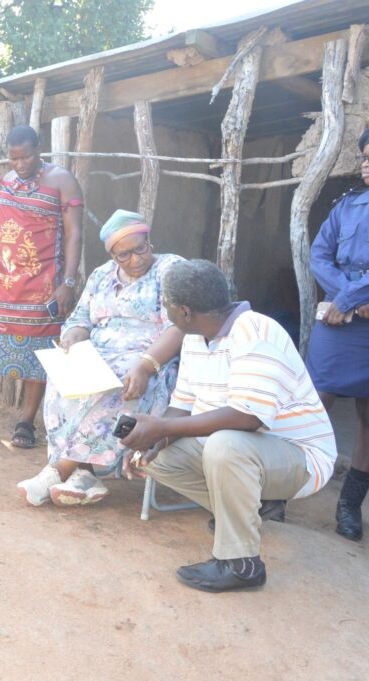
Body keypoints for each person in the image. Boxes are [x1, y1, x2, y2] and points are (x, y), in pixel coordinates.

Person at [120, 260, 336, 592]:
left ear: (185, 311)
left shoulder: (256, 332)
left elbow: (247, 417)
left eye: (166, 305)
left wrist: (161, 426)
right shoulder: (196, 337)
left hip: (300, 458)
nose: (165, 312)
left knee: (225, 445)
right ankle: (244, 513)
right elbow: (182, 406)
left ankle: (241, 564)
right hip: (247, 454)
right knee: (157, 457)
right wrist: (154, 439)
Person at [17, 210, 184, 506]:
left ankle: (56, 471)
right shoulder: (101, 274)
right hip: (99, 355)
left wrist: (145, 366)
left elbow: (179, 326)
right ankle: (84, 476)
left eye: (140, 248)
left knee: (114, 385)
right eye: (124, 255)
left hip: (149, 362)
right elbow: (81, 318)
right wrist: (72, 337)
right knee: (62, 380)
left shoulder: (170, 269)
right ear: (112, 255)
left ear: (150, 241)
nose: (135, 259)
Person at [0, 124, 83, 448]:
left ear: (39, 151)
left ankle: (25, 423)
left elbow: (75, 233)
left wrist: (68, 282)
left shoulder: (63, 181)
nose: (20, 165)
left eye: (26, 157)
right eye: (13, 159)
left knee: (38, 355)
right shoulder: (5, 182)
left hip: (42, 286)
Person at [306, 130, 369, 542]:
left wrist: (347, 299)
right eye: (365, 156)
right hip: (338, 321)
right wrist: (348, 299)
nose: (366, 163)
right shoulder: (347, 208)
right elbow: (318, 254)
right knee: (312, 405)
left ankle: (349, 506)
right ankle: (279, 491)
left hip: (343, 312)